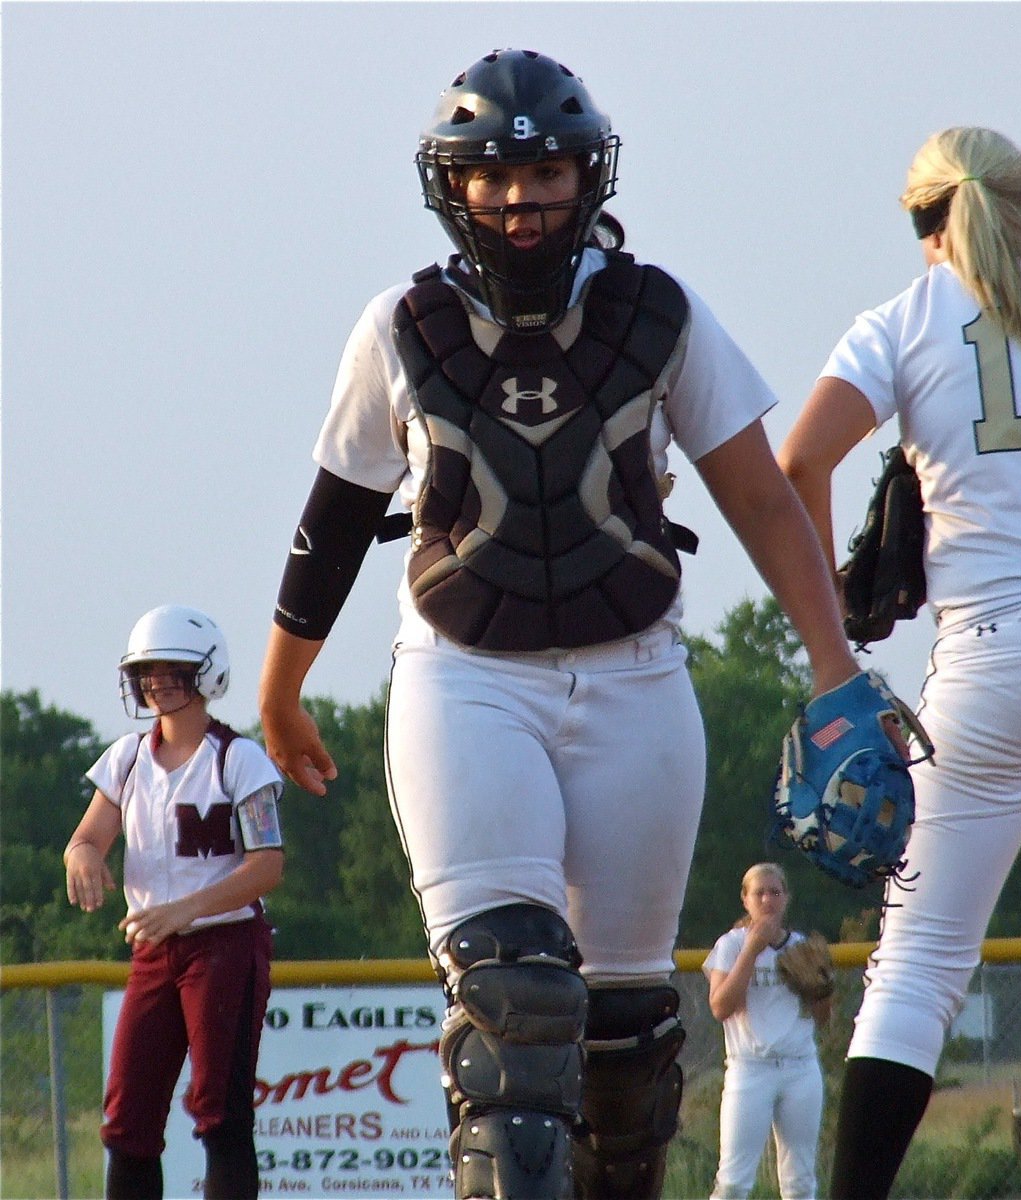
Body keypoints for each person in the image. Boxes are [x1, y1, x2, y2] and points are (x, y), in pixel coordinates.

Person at [257, 48, 863, 1200]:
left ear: (594, 177)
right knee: (514, 1004)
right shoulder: (402, 326)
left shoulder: (657, 313)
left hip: (637, 678)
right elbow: (333, 521)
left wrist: (837, 670)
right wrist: (282, 692)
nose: (522, 200)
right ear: (453, 186)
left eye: (546, 174)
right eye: (495, 177)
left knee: (626, 1051)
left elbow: (761, 500)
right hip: (468, 681)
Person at [777, 126, 1021, 1198]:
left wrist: (829, 638)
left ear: (928, 222)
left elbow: (799, 459)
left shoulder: (905, 321)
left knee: (917, 968)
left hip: (998, 652)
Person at [65, 605, 285, 1200]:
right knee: (127, 1120)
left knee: (221, 1113)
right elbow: (89, 836)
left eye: (172, 669)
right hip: (154, 950)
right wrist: (82, 855)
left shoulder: (238, 759)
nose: (156, 682)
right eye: (146, 671)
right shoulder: (127, 758)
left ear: (207, 675)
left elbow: (268, 865)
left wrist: (187, 909)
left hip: (225, 946)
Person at [704, 863, 829, 1200]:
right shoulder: (731, 945)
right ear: (745, 899)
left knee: (800, 1182)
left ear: (786, 898)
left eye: (775, 892)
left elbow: (821, 1018)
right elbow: (720, 1007)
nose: (767, 899)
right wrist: (752, 949)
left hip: (799, 1066)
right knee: (733, 1182)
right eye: (759, 892)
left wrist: (819, 987)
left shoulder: (800, 947)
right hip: (750, 1068)